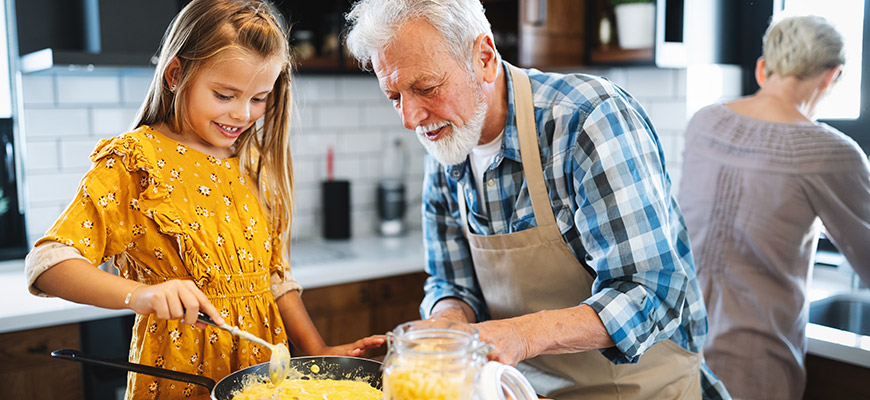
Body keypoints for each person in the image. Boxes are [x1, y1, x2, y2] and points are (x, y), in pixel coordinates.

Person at [345, 1, 730, 399]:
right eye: (394, 96)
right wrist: (448, 324)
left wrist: (520, 334)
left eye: (426, 88)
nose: (410, 118)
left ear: (484, 58)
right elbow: (452, 282)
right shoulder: (446, 143)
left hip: (645, 389)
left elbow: (652, 291)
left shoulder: (587, 119)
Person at [23, 1, 383, 398]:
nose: (243, 114)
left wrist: (318, 351)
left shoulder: (253, 162)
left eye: (259, 98)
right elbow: (47, 263)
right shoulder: (136, 162)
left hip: (265, 380)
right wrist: (141, 295)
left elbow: (275, 280)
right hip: (178, 379)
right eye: (224, 95)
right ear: (176, 74)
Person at [678, 15, 870, 400]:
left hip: (675, 350)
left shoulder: (704, 121)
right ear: (831, 77)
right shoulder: (830, 152)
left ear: (763, 68)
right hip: (755, 368)